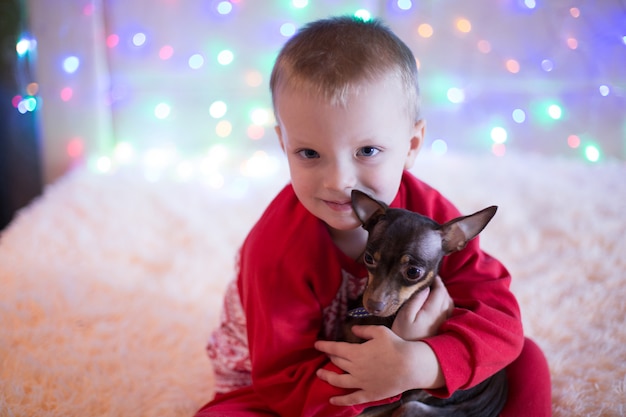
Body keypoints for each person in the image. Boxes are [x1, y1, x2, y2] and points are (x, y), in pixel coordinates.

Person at [194, 16, 551, 416]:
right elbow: (282, 380)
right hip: (303, 387)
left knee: (524, 358)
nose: (339, 182)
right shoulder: (275, 251)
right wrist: (385, 381)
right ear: (284, 142)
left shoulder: (431, 219)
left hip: (406, 365)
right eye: (309, 153)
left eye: (367, 151)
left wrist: (423, 363)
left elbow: (498, 315)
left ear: (411, 144)